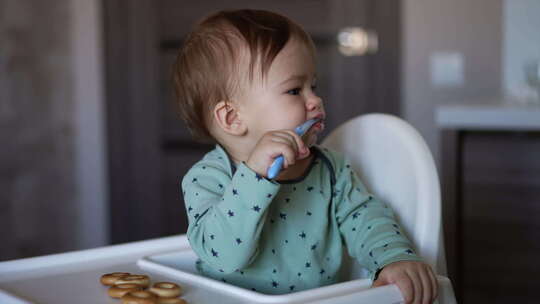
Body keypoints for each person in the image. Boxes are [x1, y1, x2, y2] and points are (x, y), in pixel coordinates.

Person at [174, 9, 438, 303]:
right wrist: (255, 176)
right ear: (233, 118)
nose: (315, 100)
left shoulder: (330, 168)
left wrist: (393, 258)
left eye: (313, 86)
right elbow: (223, 255)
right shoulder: (206, 179)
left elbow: (365, 218)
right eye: (293, 90)